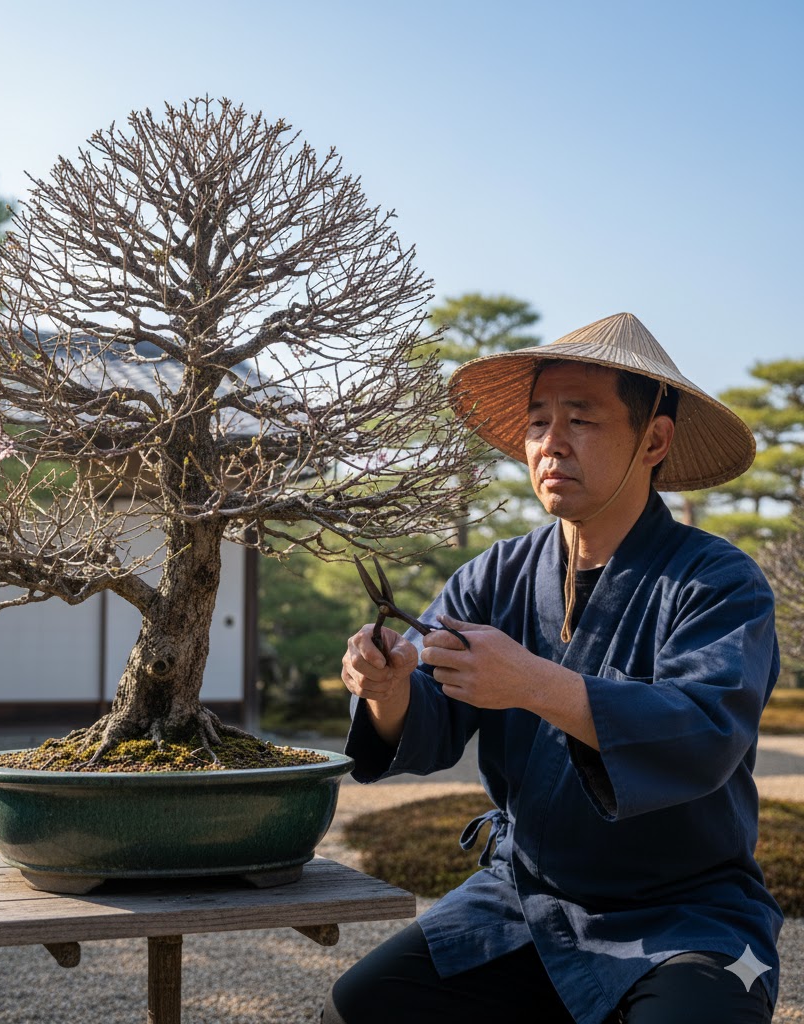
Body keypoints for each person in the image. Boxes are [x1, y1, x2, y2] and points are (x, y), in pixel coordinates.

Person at [328, 313, 781, 1024]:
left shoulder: (718, 582)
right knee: (360, 1007)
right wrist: (386, 690)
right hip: (524, 900)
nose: (550, 444)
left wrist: (533, 683)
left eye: (581, 420)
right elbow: (431, 712)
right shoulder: (494, 576)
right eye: (538, 423)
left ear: (653, 440)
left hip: (683, 914)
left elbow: (705, 729)